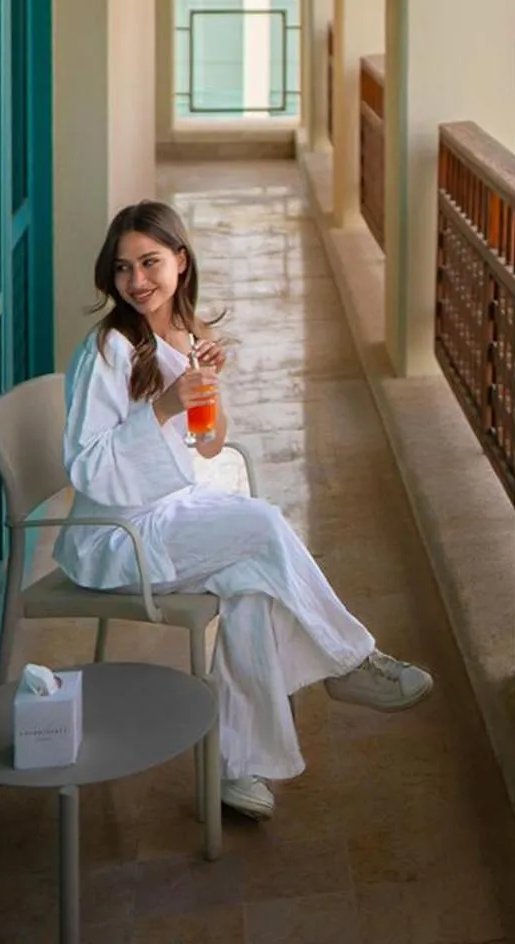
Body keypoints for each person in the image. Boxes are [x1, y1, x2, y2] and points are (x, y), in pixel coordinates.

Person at [56, 198, 432, 821]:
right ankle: (349, 660)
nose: (137, 281)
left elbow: (208, 441)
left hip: (174, 510)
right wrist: (165, 406)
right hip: (116, 535)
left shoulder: (189, 335)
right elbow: (88, 467)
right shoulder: (107, 350)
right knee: (262, 527)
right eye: (123, 269)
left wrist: (201, 394)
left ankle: (240, 769)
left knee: (253, 587)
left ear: (180, 260)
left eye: (150, 263)